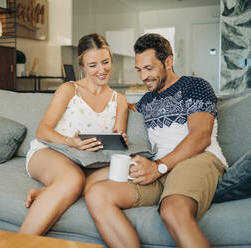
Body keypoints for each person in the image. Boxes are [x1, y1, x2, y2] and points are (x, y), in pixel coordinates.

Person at [85, 33, 228, 248]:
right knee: (97, 193)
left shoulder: (195, 86)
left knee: (172, 211)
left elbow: (200, 137)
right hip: (157, 169)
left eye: (149, 69)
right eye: (139, 70)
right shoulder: (146, 101)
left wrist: (158, 168)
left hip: (196, 159)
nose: (143, 76)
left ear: (168, 62)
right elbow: (122, 105)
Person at [19, 33, 129, 235]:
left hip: (86, 161)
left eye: (105, 62)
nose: (101, 70)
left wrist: (120, 140)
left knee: (121, 174)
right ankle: (21, 242)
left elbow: (117, 140)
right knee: (73, 179)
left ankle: (47, 193)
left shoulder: (119, 101)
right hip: (50, 151)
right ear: (83, 67)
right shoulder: (69, 90)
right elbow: (42, 130)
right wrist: (70, 141)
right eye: (93, 65)